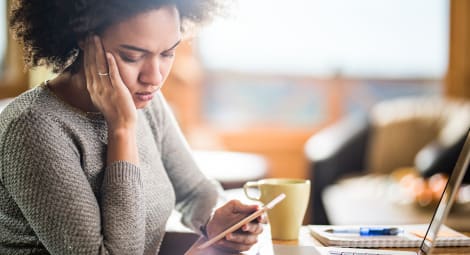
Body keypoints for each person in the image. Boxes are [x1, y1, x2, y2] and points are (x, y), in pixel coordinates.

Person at [0, 0, 264, 254]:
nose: (154, 77)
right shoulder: (32, 128)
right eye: (131, 56)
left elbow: (194, 191)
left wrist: (216, 220)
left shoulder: (146, 100)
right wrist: (122, 130)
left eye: (167, 53)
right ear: (82, 37)